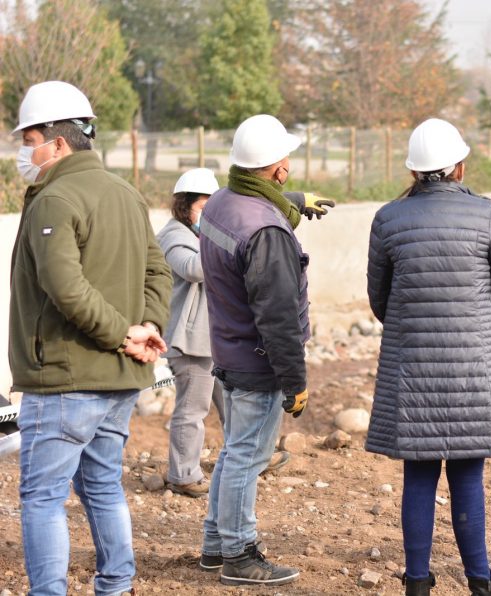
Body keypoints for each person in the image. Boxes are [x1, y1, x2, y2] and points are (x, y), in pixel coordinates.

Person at [9, 81, 172, 596]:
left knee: (41, 497)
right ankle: (116, 586)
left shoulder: (55, 198)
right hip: (118, 380)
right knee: (102, 487)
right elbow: (158, 270)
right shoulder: (125, 192)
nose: (22, 150)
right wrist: (149, 326)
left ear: (58, 142)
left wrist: (127, 333)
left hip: (66, 377)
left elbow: (65, 287)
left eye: (29, 138)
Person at [366, 118, 491, 596]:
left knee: (417, 473)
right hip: (473, 370)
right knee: (467, 473)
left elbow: (379, 298)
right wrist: (485, 328)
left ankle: (417, 581)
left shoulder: (388, 219)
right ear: (459, 166)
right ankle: (479, 579)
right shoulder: (488, 215)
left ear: (414, 172)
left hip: (412, 368)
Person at [198, 114, 328, 587]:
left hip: (229, 351)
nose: (289, 165)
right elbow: (278, 318)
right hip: (257, 362)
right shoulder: (267, 234)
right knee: (248, 458)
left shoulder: (218, 203)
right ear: (276, 169)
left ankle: (215, 546)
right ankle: (238, 553)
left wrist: (290, 203)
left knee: (234, 453)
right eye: (285, 160)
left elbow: (248, 210)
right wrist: (295, 381)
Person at [157, 169, 303, 499]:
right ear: (185, 206)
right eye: (203, 207)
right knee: (192, 410)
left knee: (233, 408)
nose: (209, 215)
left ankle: (253, 459)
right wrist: (238, 247)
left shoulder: (200, 235)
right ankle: (182, 475)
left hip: (214, 337)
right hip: (190, 341)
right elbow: (195, 268)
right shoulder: (172, 236)